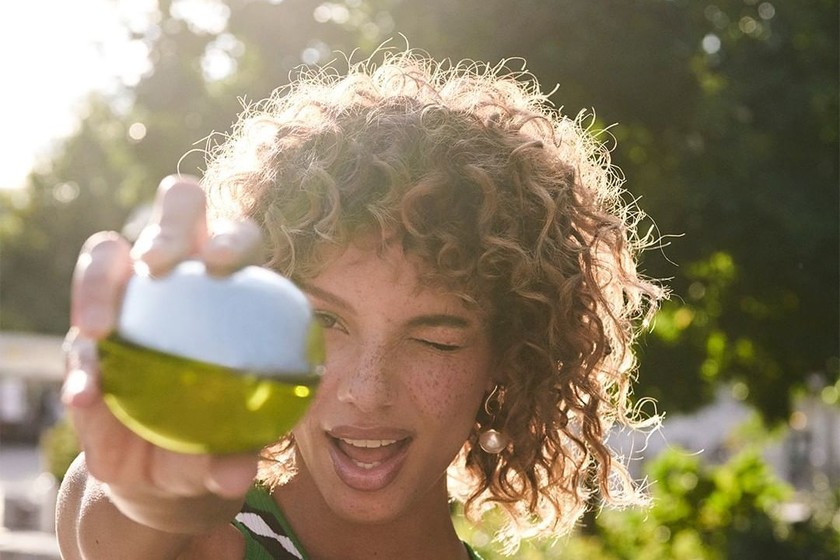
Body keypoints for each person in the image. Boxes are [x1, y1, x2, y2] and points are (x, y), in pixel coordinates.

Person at [56, 49, 664, 559]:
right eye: (324, 321)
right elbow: (104, 520)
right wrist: (157, 487)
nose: (368, 392)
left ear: (510, 355)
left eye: (436, 339)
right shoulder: (207, 543)